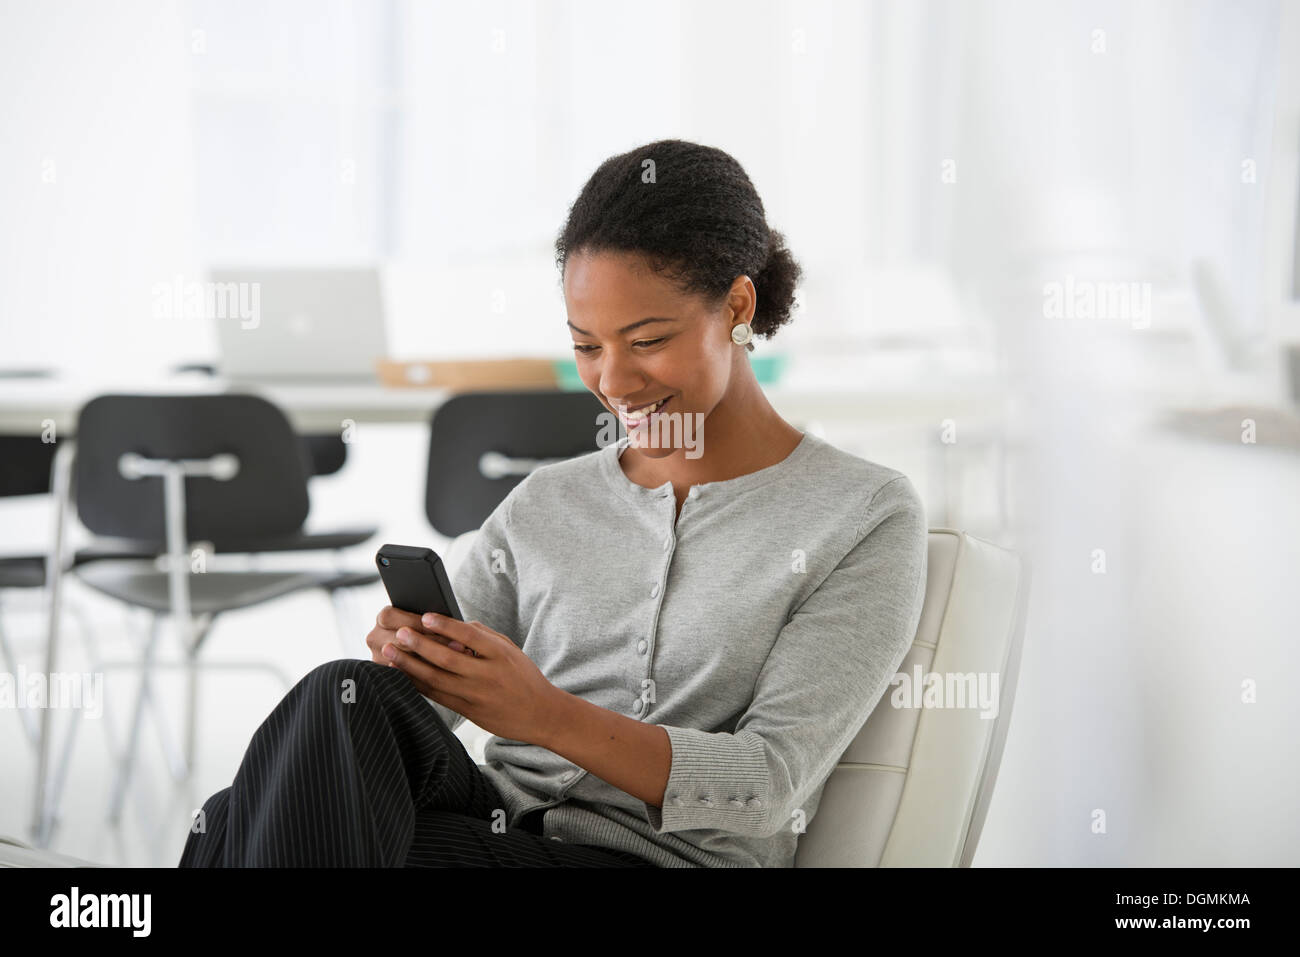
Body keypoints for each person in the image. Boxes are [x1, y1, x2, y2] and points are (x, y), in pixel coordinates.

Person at [180, 138, 928, 868]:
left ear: (737, 305)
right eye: (587, 345)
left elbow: (768, 785)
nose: (615, 380)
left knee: (235, 826)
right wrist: (422, 661)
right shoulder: (548, 502)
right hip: (501, 827)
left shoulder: (861, 514)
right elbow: (418, 714)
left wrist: (542, 713)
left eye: (646, 339)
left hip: (654, 858)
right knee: (337, 701)